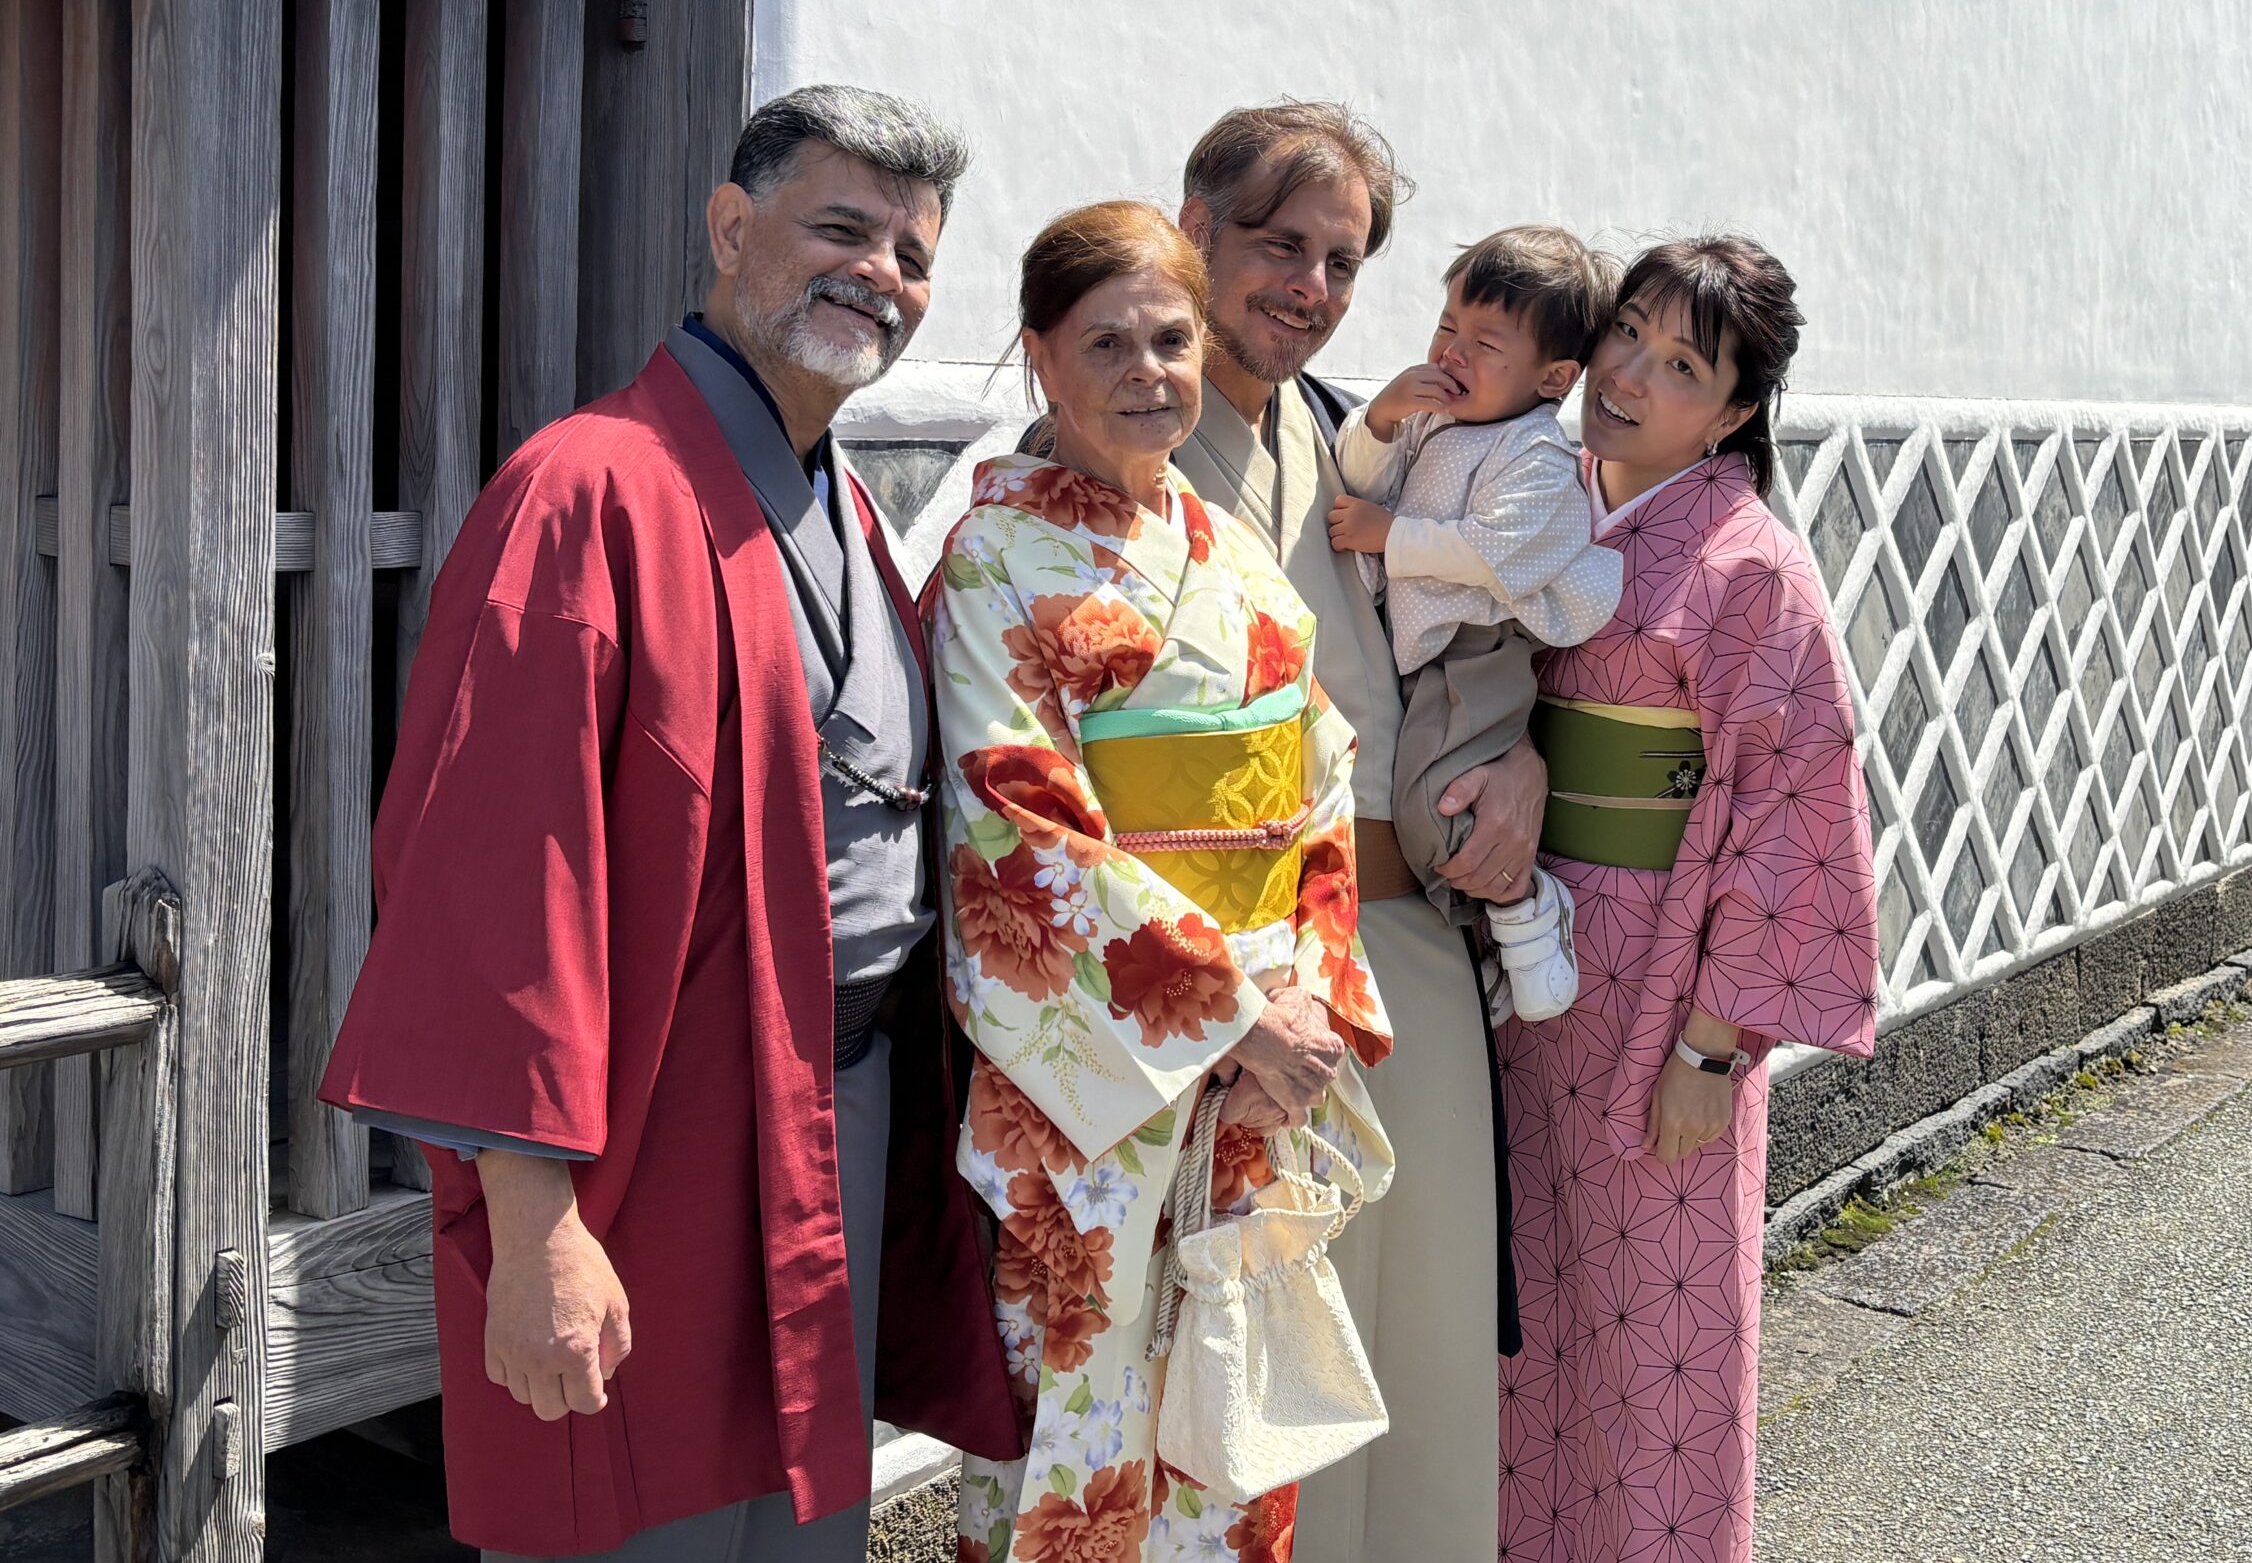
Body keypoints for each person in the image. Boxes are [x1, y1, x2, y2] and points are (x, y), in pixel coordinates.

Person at [318, 87, 1019, 1560]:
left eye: (910, 253)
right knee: (636, 1515)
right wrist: (535, 1230)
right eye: (841, 227)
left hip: (840, 1104)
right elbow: (497, 887)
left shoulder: (843, 504)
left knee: (794, 1522)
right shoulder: (586, 489)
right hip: (648, 1142)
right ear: (728, 227)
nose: (877, 275)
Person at [932, 199, 1395, 1562]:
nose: (1148, 371)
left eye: (1173, 338)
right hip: (1100, 1084)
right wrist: (1225, 1015)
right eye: (1107, 342)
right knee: (1076, 1427)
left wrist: (1298, 1014)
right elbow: (1019, 830)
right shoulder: (996, 557)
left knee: (1226, 1430)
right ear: (1040, 359)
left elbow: (1315, 796)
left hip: (1256, 1064)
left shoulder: (1233, 555)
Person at [1166, 103, 1541, 1560]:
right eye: (1278, 245)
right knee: (1232, 1408)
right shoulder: (1112, 435)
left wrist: (1525, 773)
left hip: (1405, 959)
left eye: (1338, 258)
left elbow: (1491, 645)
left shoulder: (1360, 446)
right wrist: (1211, 993)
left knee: (1416, 1375)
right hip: (1227, 987)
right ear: (1195, 229)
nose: (1309, 286)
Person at [1496, 236, 1880, 1563]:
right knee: (1535, 1318)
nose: (1631, 376)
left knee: (1662, 1343)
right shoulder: (1553, 509)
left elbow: (1794, 811)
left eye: (1681, 365)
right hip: (1530, 969)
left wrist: (1717, 1044)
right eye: (1627, 336)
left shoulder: (1746, 564)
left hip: (1662, 1004)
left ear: (1731, 414)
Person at [1324, 225, 1625, 1023]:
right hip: (1426, 650)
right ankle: (1496, 934)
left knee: (1436, 812)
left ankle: (1525, 911)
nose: (1453, 353)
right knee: (1423, 807)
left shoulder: (1536, 454)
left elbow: (1496, 559)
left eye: (1486, 343)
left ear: (1555, 377)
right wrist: (1383, 417)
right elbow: (1358, 477)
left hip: (1479, 649)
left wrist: (1391, 535)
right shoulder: (1433, 419)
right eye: (1447, 329)